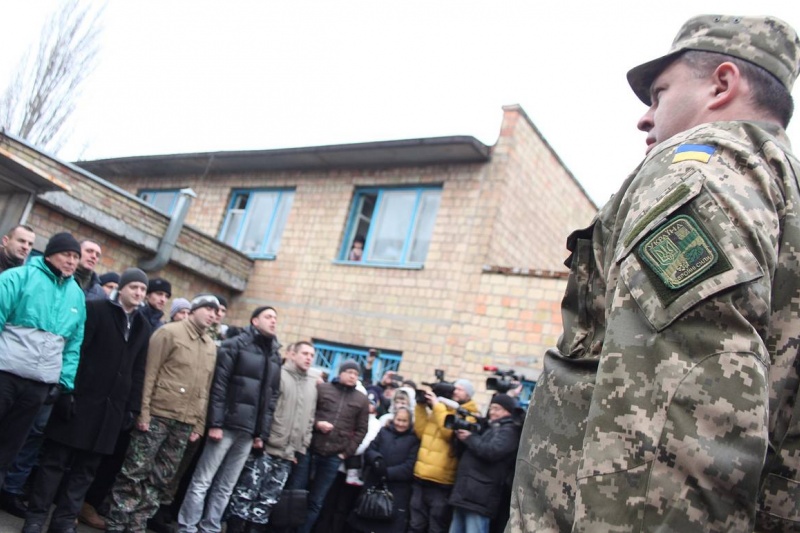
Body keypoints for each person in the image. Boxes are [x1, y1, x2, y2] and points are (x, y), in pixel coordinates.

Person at [507, 14, 800, 533]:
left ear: (722, 84)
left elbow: (670, 415)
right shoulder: (780, 196)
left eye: (659, 93)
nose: (645, 118)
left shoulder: (697, 173)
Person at [22, 268, 154, 533]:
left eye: (142, 290)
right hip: (80, 402)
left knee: (86, 471)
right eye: (134, 287)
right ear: (122, 288)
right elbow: (76, 351)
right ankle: (36, 518)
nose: (138, 293)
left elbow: (139, 369)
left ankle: (63, 521)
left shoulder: (143, 326)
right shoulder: (95, 310)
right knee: (55, 463)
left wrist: (132, 407)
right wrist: (67, 392)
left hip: (110, 410)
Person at [104, 294, 219, 533]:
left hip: (184, 422)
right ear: (194, 309)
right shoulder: (169, 333)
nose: (211, 314)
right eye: (207, 308)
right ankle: (117, 522)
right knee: (135, 471)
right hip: (158, 414)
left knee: (161, 477)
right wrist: (143, 412)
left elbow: (205, 388)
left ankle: (137, 524)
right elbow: (149, 373)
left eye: (214, 311)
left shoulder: (210, 346)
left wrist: (199, 423)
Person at [177, 306, 281, 533]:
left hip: (249, 431)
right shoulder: (235, 345)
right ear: (254, 321)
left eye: (275, 318)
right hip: (225, 426)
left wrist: (261, 434)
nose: (273, 321)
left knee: (226, 485)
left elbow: (271, 398)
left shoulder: (274, 354)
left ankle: (210, 527)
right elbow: (219, 385)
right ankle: (187, 526)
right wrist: (215, 423)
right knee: (203, 480)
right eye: (268, 317)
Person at [0, 232, 86, 492]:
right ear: (49, 254)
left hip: (39, 385)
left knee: (9, 448)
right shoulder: (17, 277)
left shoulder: (77, 295)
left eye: (76, 257)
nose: (72, 261)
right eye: (66, 255)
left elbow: (73, 345)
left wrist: (64, 384)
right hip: (5, 374)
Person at [226, 340, 318, 532]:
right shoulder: (279, 375)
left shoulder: (312, 384)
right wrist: (260, 435)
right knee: (246, 493)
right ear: (292, 354)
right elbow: (265, 407)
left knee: (267, 500)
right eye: (305, 353)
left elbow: (309, 418)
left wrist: (302, 446)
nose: (309, 358)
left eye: (312, 355)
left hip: (287, 454)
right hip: (267, 447)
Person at [298, 359, 370, 533]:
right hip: (310, 448)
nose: (353, 376)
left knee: (317, 500)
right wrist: (317, 424)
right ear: (341, 373)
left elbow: (361, 430)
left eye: (356, 374)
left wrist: (346, 453)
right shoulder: (323, 389)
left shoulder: (361, 400)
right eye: (350, 372)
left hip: (333, 456)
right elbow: (307, 413)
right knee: (296, 493)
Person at [410, 379, 478, 533]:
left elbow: (448, 434)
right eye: (455, 388)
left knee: (436, 527)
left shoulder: (469, 414)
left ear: (468, 394)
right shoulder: (442, 408)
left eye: (460, 389)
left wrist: (437, 406)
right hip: (421, 476)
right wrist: (420, 406)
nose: (455, 391)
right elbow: (422, 432)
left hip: (441, 482)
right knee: (415, 525)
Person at [448, 394, 521, 533]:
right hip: (466, 492)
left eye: (497, 409)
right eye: (491, 408)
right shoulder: (489, 427)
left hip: (481, 496)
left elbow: (492, 451)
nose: (492, 412)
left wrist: (470, 438)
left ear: (508, 411)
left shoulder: (509, 431)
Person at [349, 406, 420, 533]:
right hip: (374, 482)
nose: (400, 424)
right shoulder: (384, 432)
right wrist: (376, 460)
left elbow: (410, 466)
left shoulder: (414, 440)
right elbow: (370, 449)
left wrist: (388, 473)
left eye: (404, 421)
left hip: (397, 490)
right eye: (398, 420)